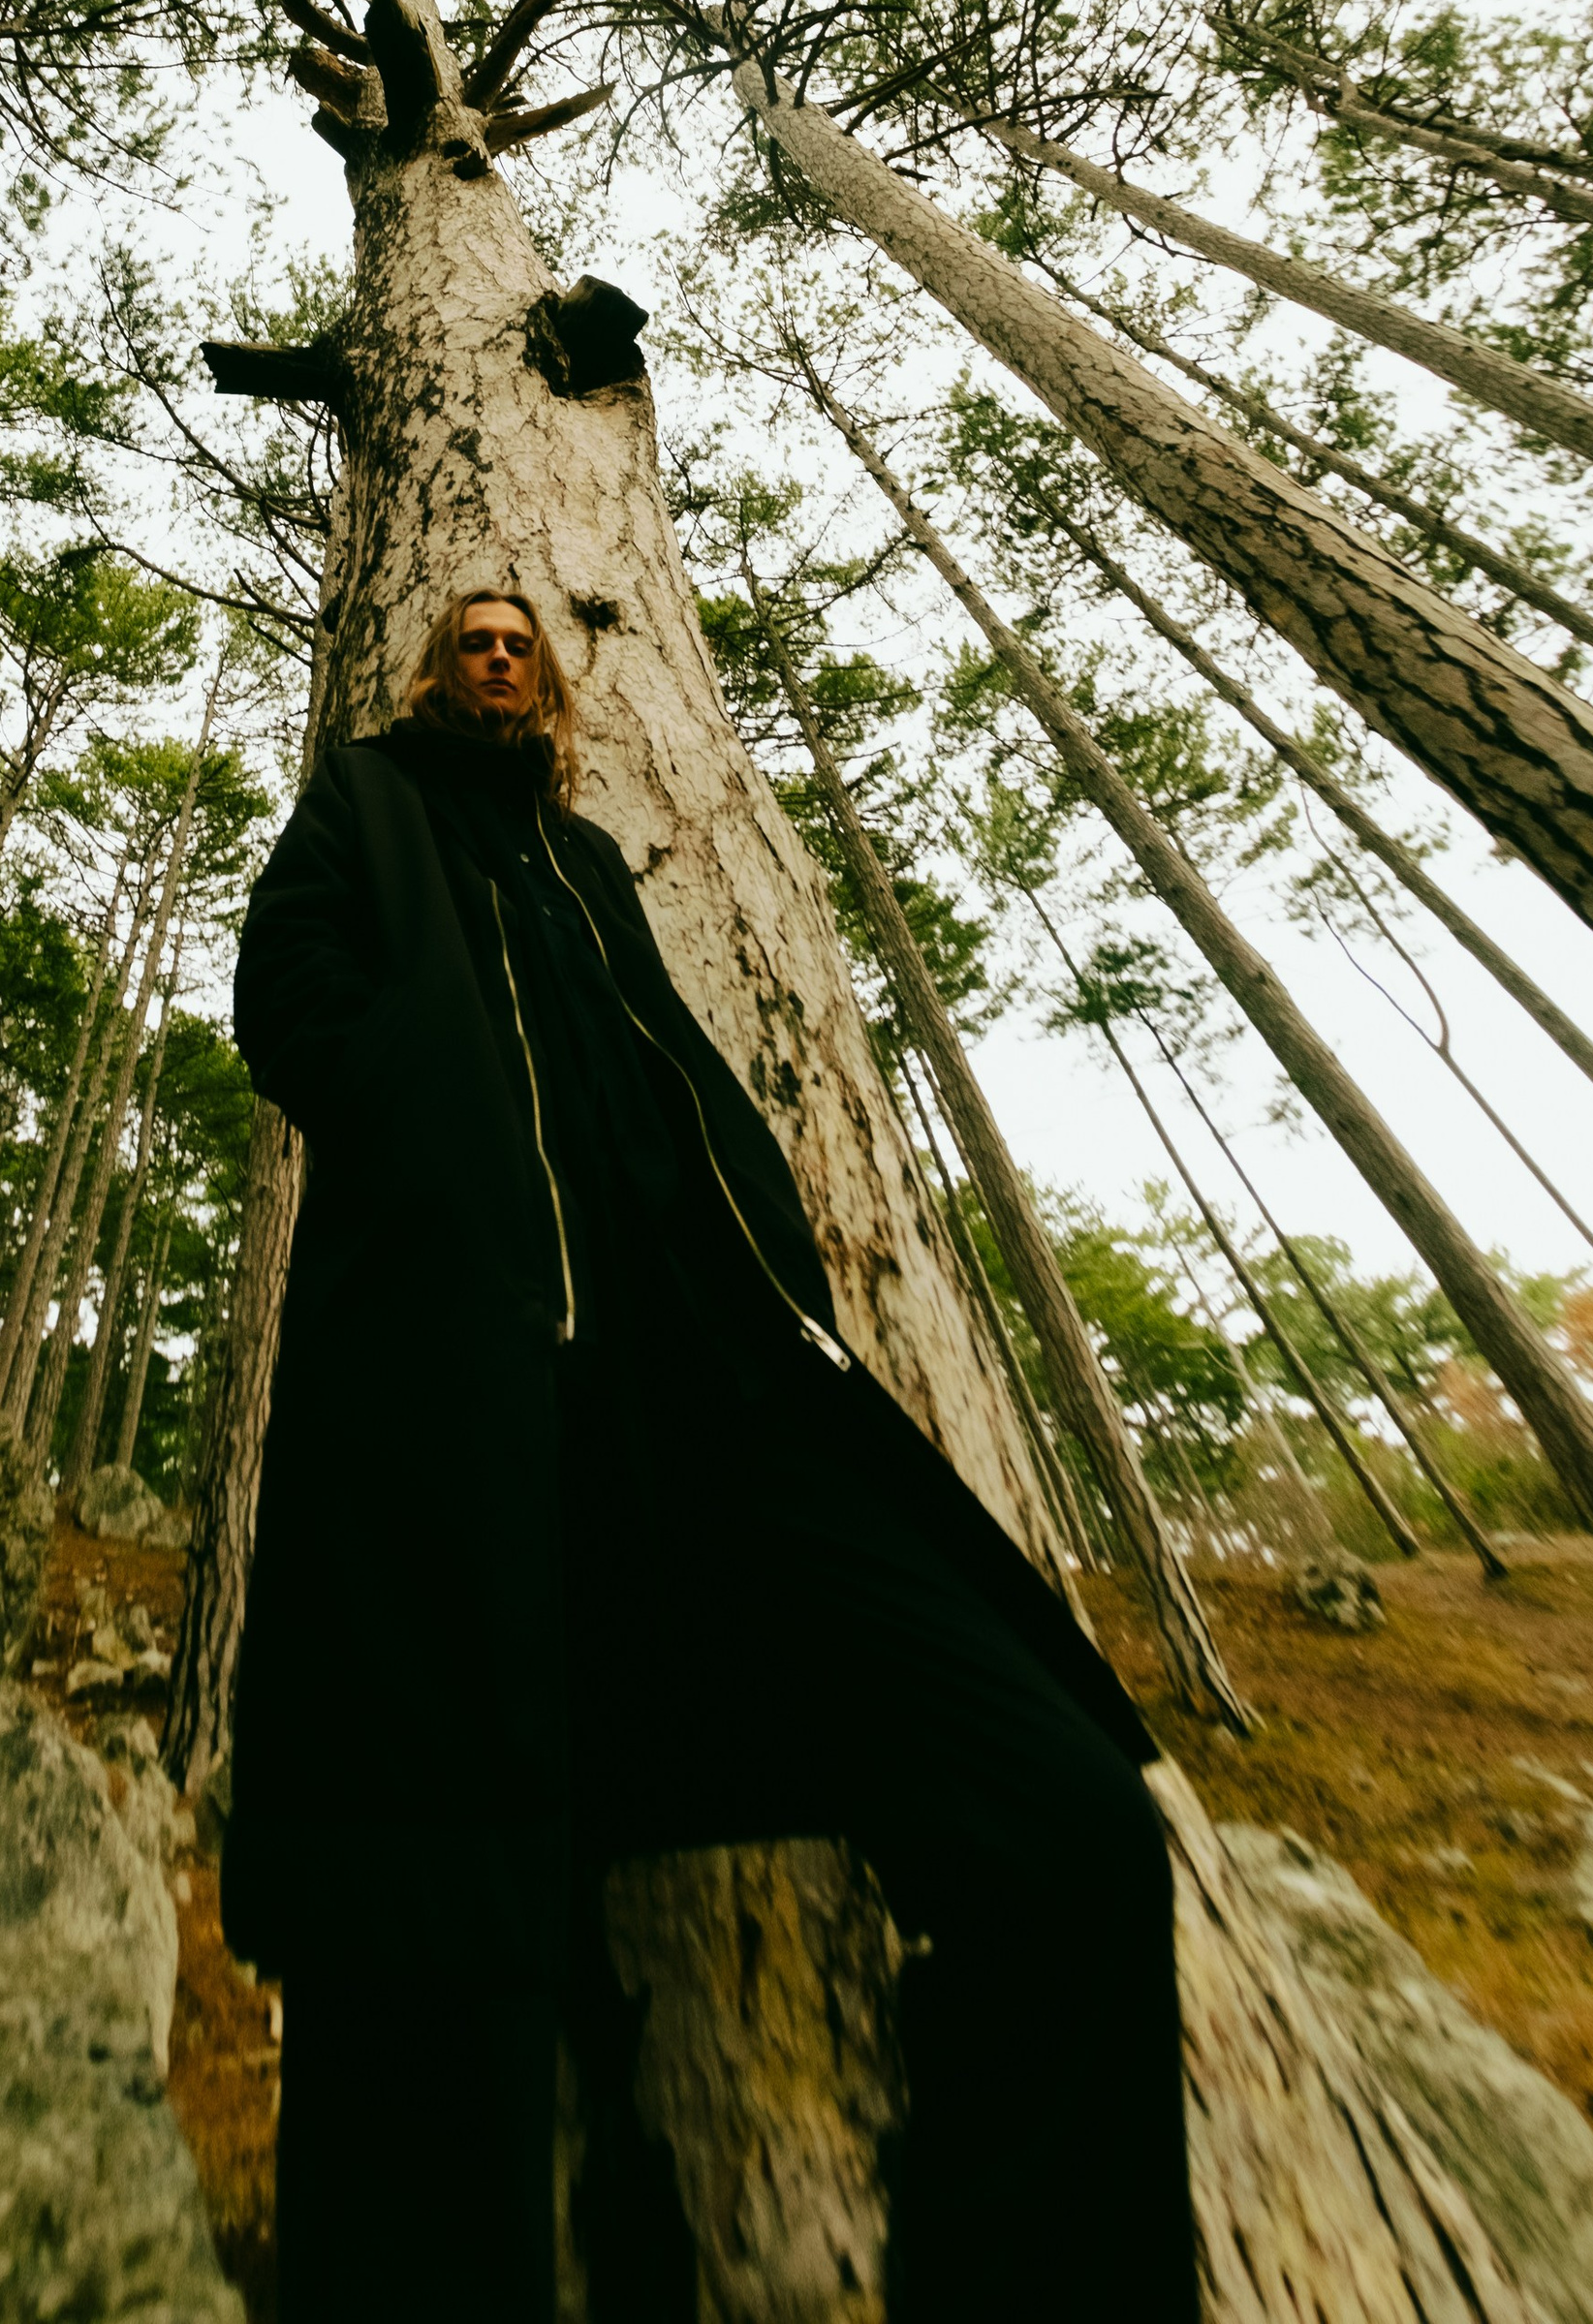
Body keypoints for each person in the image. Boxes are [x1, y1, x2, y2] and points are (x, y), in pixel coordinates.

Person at [227, 587, 1199, 2324]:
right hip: (472, 1398)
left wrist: (778, 1267)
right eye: (468, 636)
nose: (499, 649)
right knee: (436, 1910)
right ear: (428, 674)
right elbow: (285, 1004)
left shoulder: (589, 860)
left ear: (561, 684)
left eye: (525, 637)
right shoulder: (362, 805)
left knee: (1068, 1816)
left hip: (729, 1391)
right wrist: (418, 1113)